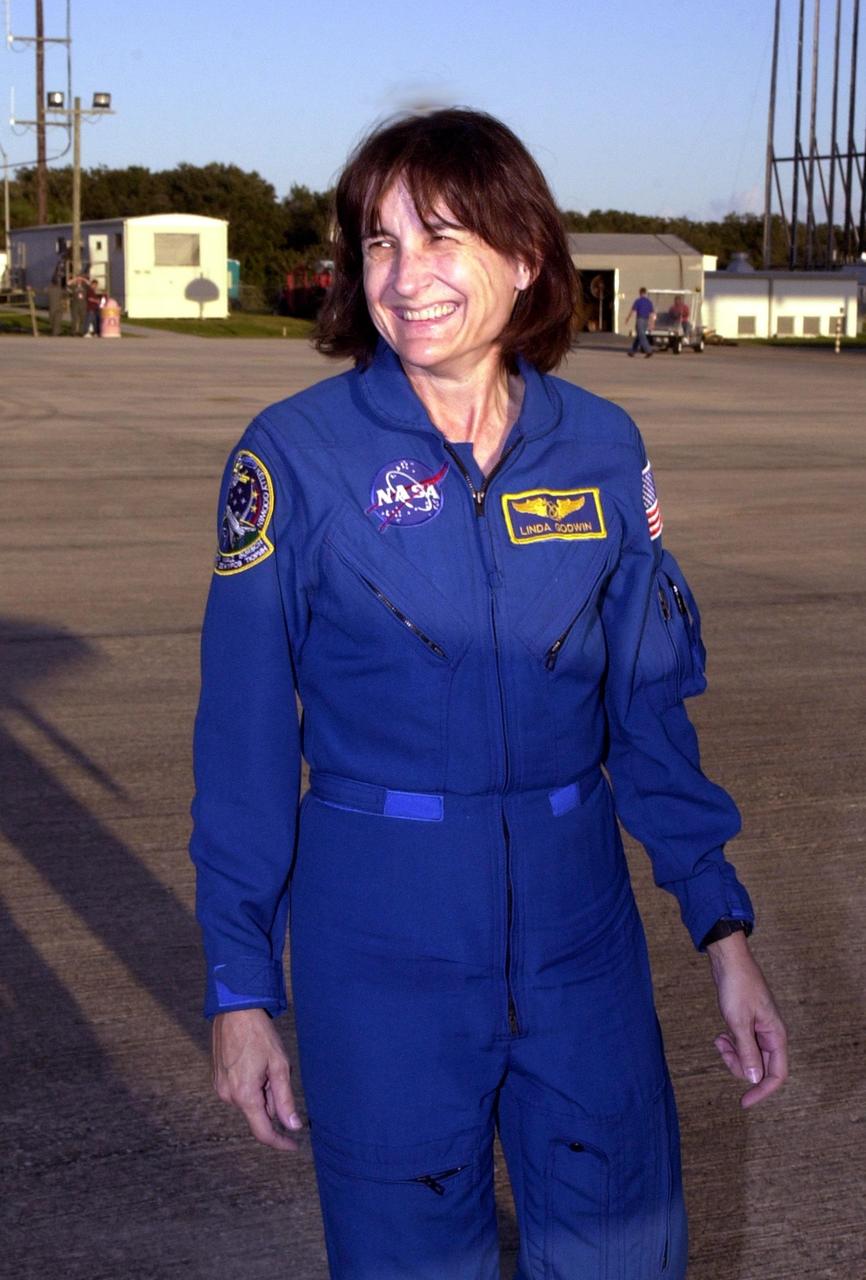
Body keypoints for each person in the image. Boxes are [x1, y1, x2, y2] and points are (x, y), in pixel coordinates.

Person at [190, 108, 787, 1280]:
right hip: (381, 949)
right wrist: (239, 986)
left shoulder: (601, 448)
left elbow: (647, 716)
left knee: (623, 1249)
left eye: (439, 236)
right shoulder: (294, 459)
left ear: (521, 256)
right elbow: (242, 744)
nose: (402, 275)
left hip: (581, 940)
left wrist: (721, 931)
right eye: (378, 242)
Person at [626, 285, 656, 356]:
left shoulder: (638, 301)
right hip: (646, 320)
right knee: (639, 336)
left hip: (640, 320)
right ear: (645, 293)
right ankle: (632, 351)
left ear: (640, 293)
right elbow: (652, 314)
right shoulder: (649, 302)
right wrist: (652, 323)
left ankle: (648, 350)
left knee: (641, 336)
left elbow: (632, 310)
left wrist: (627, 318)